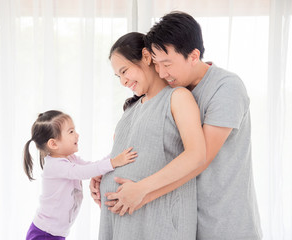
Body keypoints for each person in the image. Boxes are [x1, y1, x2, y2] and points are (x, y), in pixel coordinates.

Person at [93, 11, 262, 240]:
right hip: (187, 219)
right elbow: (154, 145)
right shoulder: (170, 92)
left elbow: (198, 160)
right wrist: (107, 169)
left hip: (225, 222)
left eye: (166, 64)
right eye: (156, 64)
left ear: (193, 56)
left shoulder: (226, 88)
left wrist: (141, 194)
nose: (161, 72)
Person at [98, 32, 206, 240]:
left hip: (160, 222)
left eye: (124, 71)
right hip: (122, 223)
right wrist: (101, 173)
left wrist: (140, 189)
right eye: (118, 76)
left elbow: (196, 154)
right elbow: (129, 154)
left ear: (146, 57)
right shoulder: (131, 109)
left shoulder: (178, 98)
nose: (123, 81)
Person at [23, 110, 137, 240]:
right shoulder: (54, 166)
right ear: (53, 144)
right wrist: (114, 162)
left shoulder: (70, 159)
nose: (77, 135)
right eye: (71, 132)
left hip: (57, 234)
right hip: (43, 234)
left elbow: (92, 166)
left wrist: (115, 152)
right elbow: (84, 172)